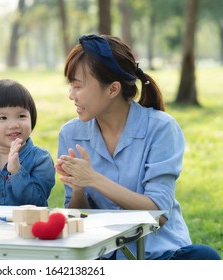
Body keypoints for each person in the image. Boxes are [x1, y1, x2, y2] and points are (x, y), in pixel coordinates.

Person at [55, 34, 221, 260]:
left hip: (159, 255)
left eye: (78, 86)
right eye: (70, 86)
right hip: (103, 257)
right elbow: (76, 217)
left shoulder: (161, 128)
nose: (71, 95)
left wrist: (93, 178)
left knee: (204, 258)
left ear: (112, 89)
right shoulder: (70, 134)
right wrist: (78, 188)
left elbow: (158, 213)